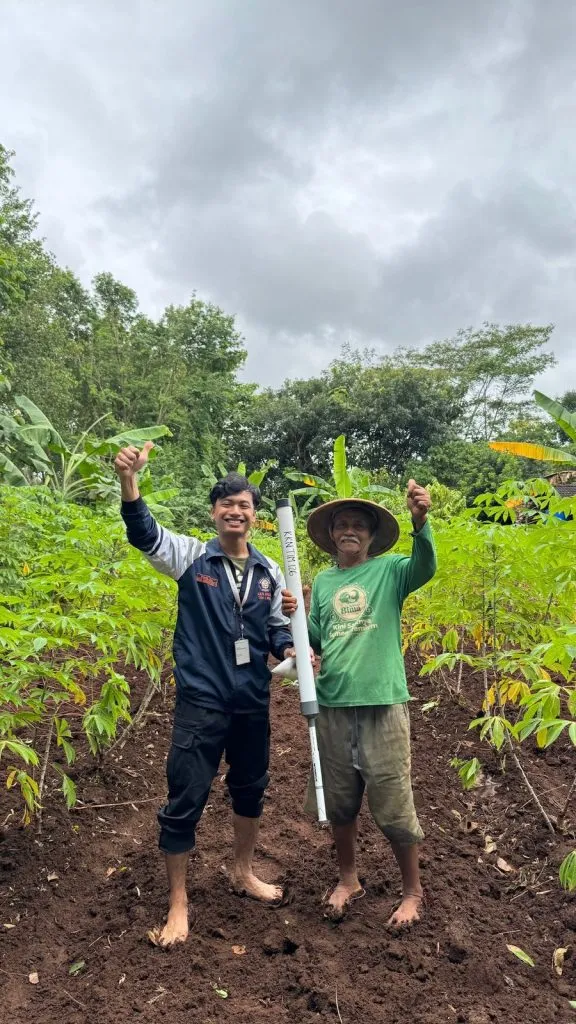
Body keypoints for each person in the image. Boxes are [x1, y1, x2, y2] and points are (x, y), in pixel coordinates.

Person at [114, 442, 296, 947]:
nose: (236, 512)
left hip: (251, 703)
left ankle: (242, 870)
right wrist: (130, 483)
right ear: (214, 513)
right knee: (185, 799)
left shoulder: (269, 573)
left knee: (250, 789)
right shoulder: (193, 557)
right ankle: (178, 903)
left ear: (254, 517)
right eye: (227, 505)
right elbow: (144, 534)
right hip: (201, 700)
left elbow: (277, 635)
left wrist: (290, 651)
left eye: (245, 506)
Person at [282, 480, 436, 927]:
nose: (350, 531)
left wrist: (420, 523)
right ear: (332, 534)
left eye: (358, 526)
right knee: (340, 803)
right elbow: (314, 637)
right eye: (342, 525)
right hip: (331, 706)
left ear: (371, 536)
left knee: (393, 804)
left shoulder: (391, 572)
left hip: (382, 706)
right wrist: (295, 639)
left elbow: (425, 566)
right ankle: (348, 879)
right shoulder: (326, 581)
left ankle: (413, 891)